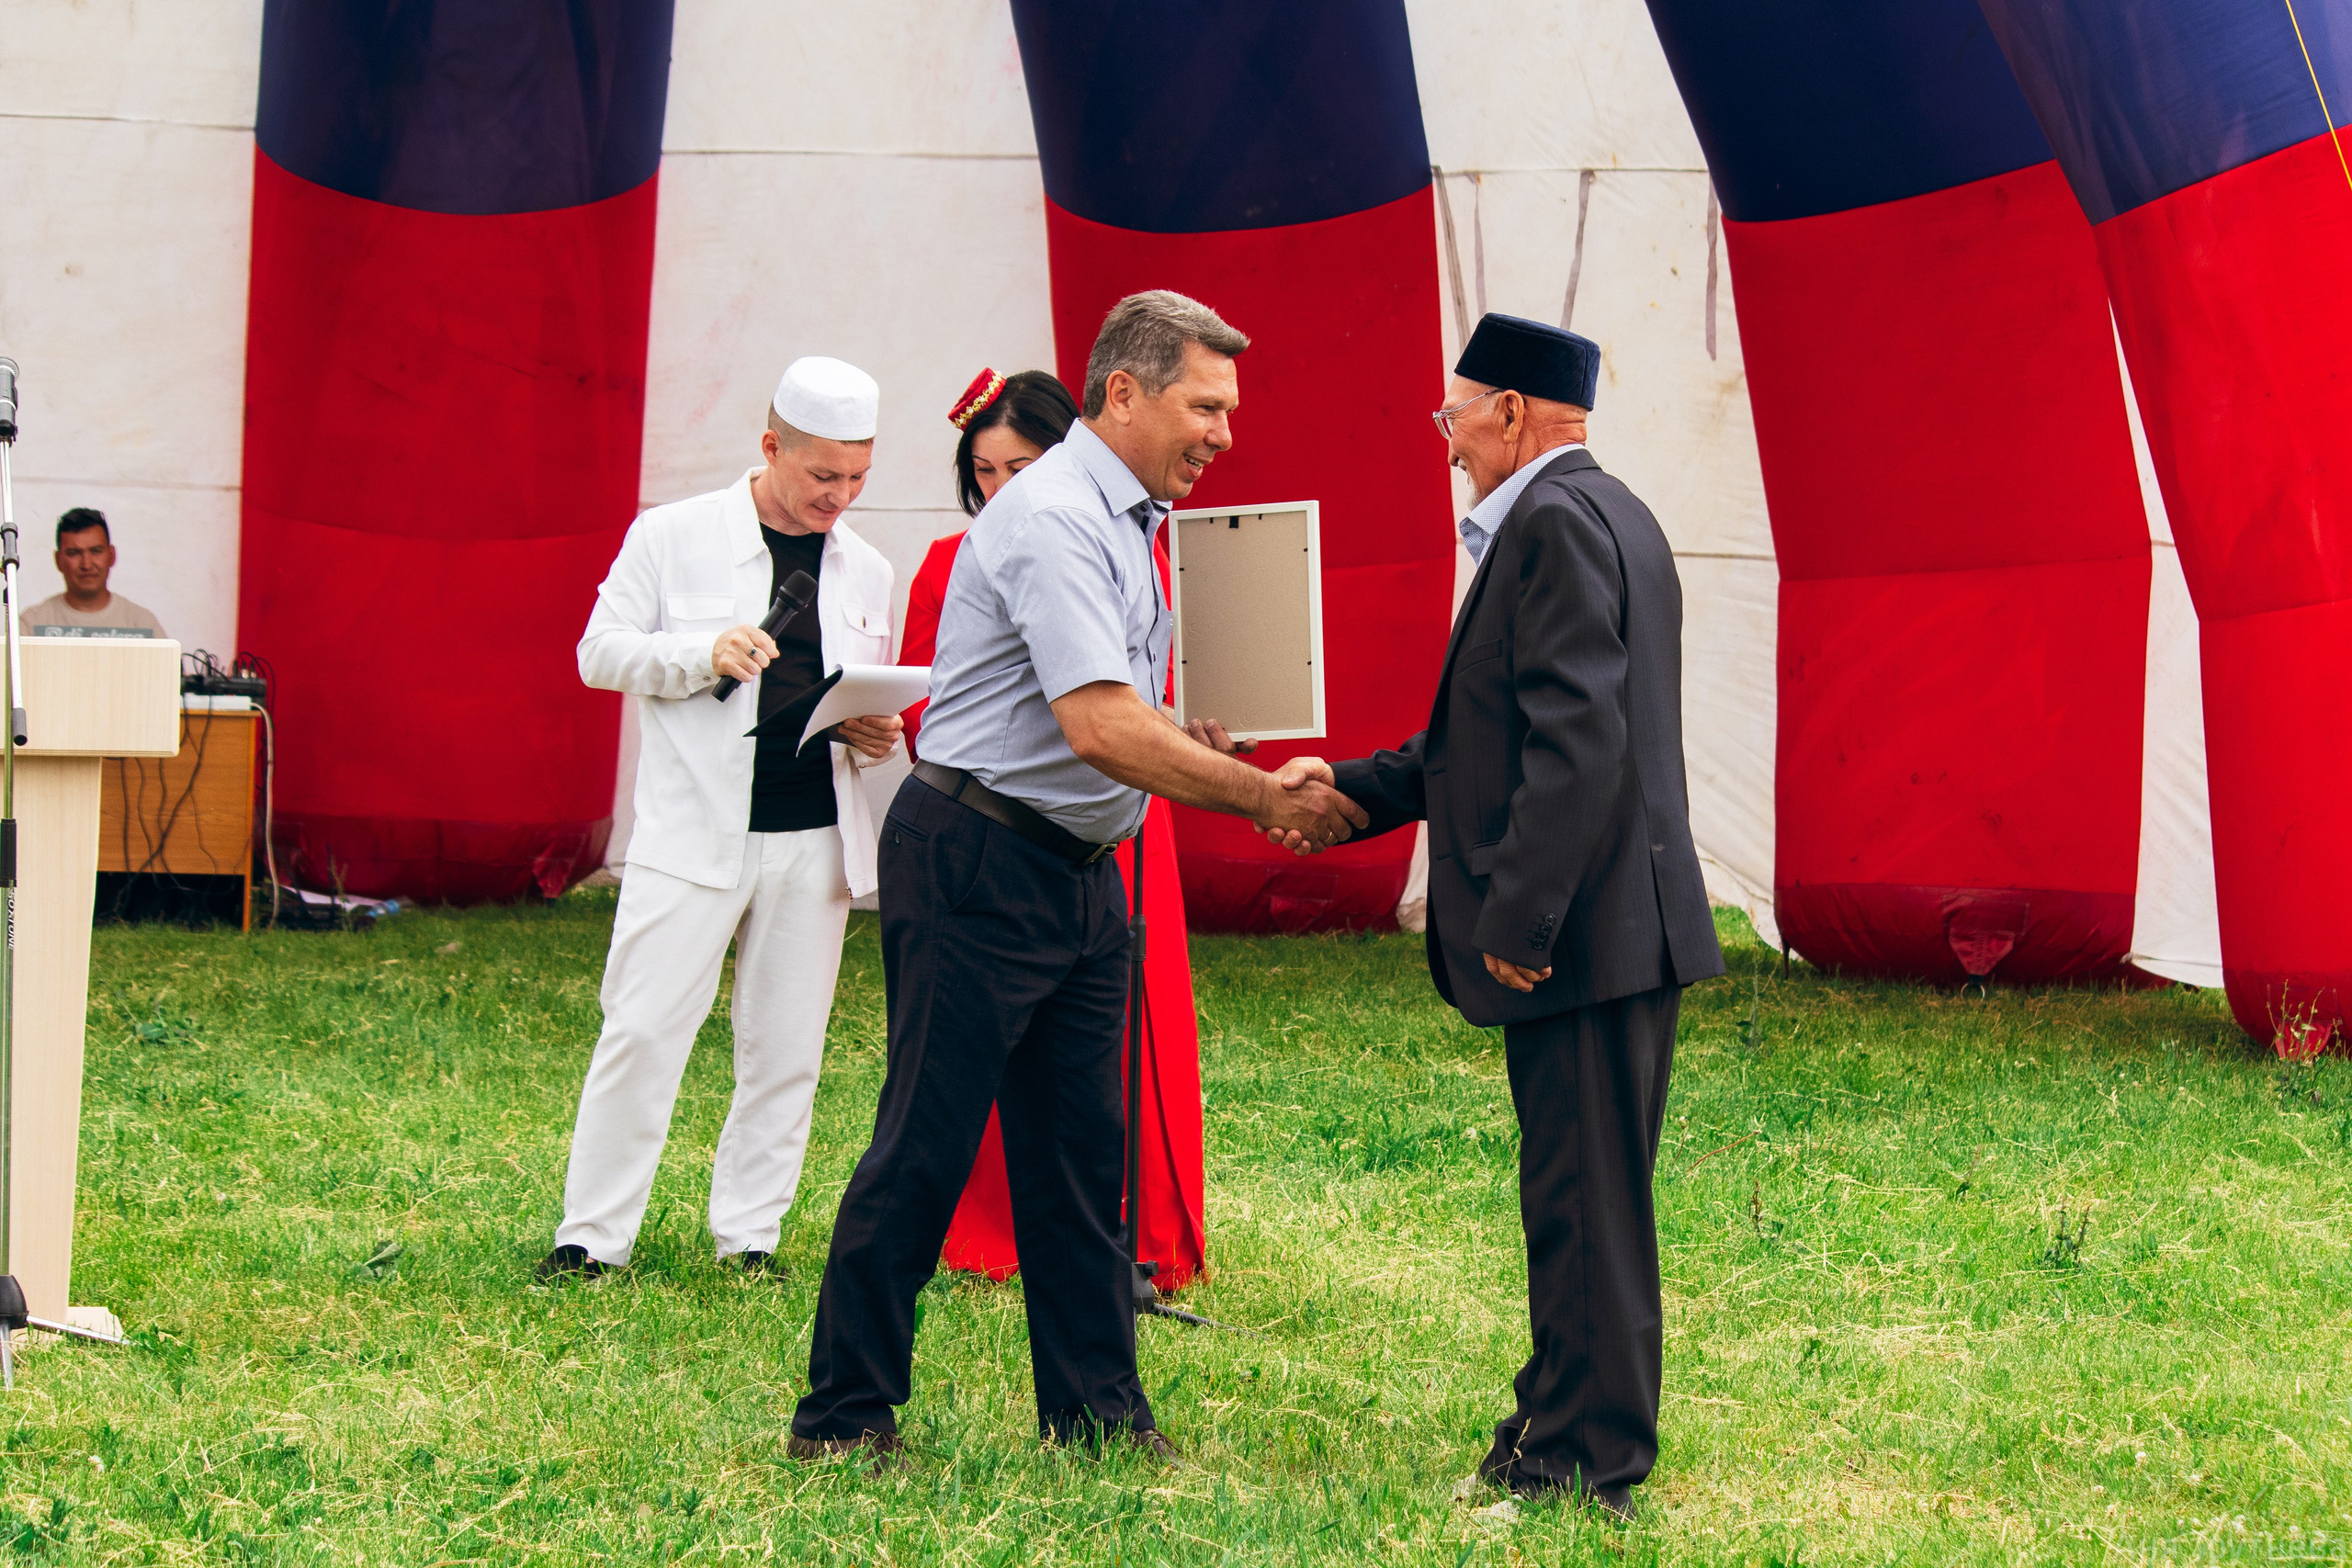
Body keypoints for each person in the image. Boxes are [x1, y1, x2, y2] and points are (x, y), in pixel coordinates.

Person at [789, 291, 1365, 1464]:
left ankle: (1097, 1419)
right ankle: (842, 1418)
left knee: (1076, 1157)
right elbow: (1098, 728)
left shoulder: (1127, 516)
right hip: (981, 859)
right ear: (1122, 393)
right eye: (1204, 406)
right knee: (927, 1142)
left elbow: (1116, 712)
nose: (1224, 433)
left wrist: (1191, 737)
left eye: (1228, 409)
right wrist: (1254, 795)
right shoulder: (1055, 516)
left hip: (1074, 867)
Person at [1296, 314, 1724, 1520]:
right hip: (1617, 924)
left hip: (1584, 934)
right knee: (1583, 1198)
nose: (1448, 443)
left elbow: (1577, 743)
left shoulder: (1551, 523)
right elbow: (1479, 737)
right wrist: (1354, 788)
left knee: (1587, 1208)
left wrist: (1519, 916)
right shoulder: (1610, 512)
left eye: (1455, 416)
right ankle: (1551, 1420)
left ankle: (1583, 1468)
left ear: (1515, 414)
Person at [541, 356, 906, 1281]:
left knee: (785, 1048)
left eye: (858, 476)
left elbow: (863, 702)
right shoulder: (671, 534)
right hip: (687, 832)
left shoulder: (868, 568)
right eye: (823, 474)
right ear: (770, 445)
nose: (840, 495)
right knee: (642, 1029)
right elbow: (600, 653)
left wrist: (873, 732)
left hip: (813, 834)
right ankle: (591, 1239)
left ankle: (750, 1238)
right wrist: (697, 652)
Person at [906, 368, 1212, 1287]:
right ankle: (994, 1232)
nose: (1002, 489)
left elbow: (1146, 691)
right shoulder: (952, 559)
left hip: (1122, 822)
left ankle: (1139, 1227)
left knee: (1126, 1034)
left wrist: (1181, 738)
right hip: (1006, 821)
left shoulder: (1134, 547)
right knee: (983, 1055)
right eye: (984, 473)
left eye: (1021, 465)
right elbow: (944, 708)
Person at [23, 509, 166, 636]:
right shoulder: (31, 625)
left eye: (96, 551)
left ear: (112, 555)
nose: (86, 564)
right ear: (58, 560)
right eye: (74, 553)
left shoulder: (142, 623)